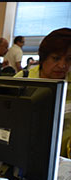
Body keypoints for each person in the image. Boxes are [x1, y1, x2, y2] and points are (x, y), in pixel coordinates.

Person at [16, 28, 71, 156]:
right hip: (25, 153)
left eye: (69, 59)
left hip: (64, 158)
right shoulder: (23, 80)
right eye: (56, 58)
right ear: (43, 58)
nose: (62, 65)